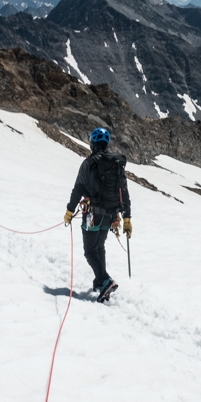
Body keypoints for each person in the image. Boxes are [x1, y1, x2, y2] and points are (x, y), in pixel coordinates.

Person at [63, 127, 132, 302]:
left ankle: (105, 281)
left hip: (92, 215)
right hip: (110, 215)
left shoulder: (89, 163)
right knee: (99, 247)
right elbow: (124, 192)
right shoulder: (116, 164)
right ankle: (99, 280)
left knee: (89, 251)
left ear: (93, 143)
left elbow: (78, 189)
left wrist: (70, 211)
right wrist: (127, 218)